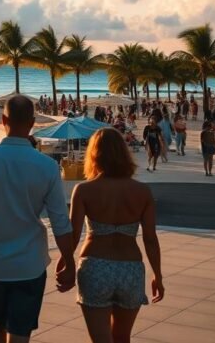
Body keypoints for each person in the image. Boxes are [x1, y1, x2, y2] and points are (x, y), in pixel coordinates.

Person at [0, 96, 76, 343]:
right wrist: (69, 261)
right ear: (32, 123)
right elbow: (60, 222)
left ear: (3, 120)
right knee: (19, 335)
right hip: (29, 263)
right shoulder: (47, 166)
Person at [70, 128, 164, 343]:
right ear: (124, 153)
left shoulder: (84, 190)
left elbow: (73, 234)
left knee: (101, 340)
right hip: (130, 268)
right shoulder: (142, 191)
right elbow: (150, 239)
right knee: (122, 338)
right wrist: (157, 275)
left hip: (95, 266)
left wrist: (65, 261)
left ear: (93, 154)